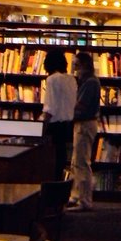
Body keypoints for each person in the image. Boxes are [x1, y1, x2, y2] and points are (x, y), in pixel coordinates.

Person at [68, 51, 101, 212]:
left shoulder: (90, 83)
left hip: (85, 123)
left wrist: (68, 113)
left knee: (82, 163)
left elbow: (81, 106)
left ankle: (84, 199)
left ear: (84, 65)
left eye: (77, 65)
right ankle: (76, 195)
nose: (75, 69)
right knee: (76, 162)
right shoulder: (88, 81)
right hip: (83, 123)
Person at [42, 48, 77, 180]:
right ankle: (62, 189)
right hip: (70, 125)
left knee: (52, 162)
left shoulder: (52, 80)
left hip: (55, 127)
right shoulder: (72, 79)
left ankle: (51, 191)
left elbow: (50, 108)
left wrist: (41, 127)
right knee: (62, 160)